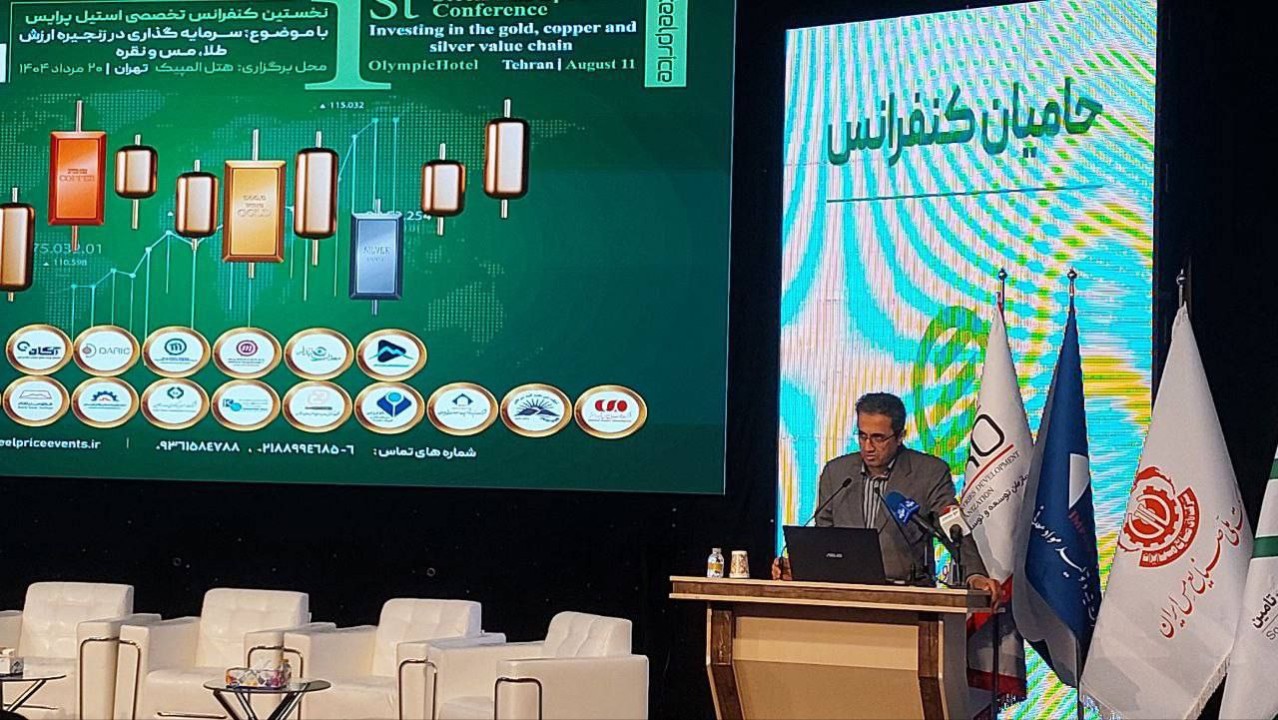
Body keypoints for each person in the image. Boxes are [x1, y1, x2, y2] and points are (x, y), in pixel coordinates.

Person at [773, 392, 1001, 607]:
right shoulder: (837, 472)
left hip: (907, 596)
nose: (868, 447)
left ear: (900, 436)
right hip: (843, 596)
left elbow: (953, 529)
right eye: (862, 436)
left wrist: (975, 574)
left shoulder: (930, 472)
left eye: (878, 438)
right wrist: (801, 566)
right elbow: (824, 537)